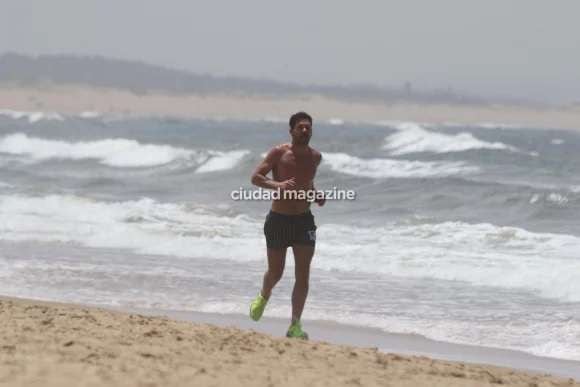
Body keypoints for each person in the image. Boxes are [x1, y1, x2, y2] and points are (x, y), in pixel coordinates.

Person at [249, 111, 325, 339]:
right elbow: (255, 177)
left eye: (308, 127)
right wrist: (278, 185)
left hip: (304, 220)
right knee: (276, 272)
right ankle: (263, 295)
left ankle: (295, 325)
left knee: (303, 275)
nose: (305, 130)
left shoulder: (315, 157)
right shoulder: (279, 153)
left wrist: (316, 195)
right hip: (279, 220)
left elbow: (307, 183)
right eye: (300, 127)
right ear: (291, 130)